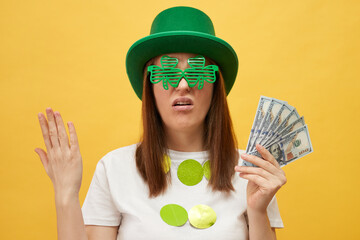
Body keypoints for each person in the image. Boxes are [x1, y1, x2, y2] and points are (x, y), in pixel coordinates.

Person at [35, 6, 287, 240]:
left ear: (215, 86)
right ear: (150, 86)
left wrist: (257, 211)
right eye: (167, 72)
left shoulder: (252, 172)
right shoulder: (114, 169)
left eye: (197, 71)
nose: (183, 85)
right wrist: (66, 195)